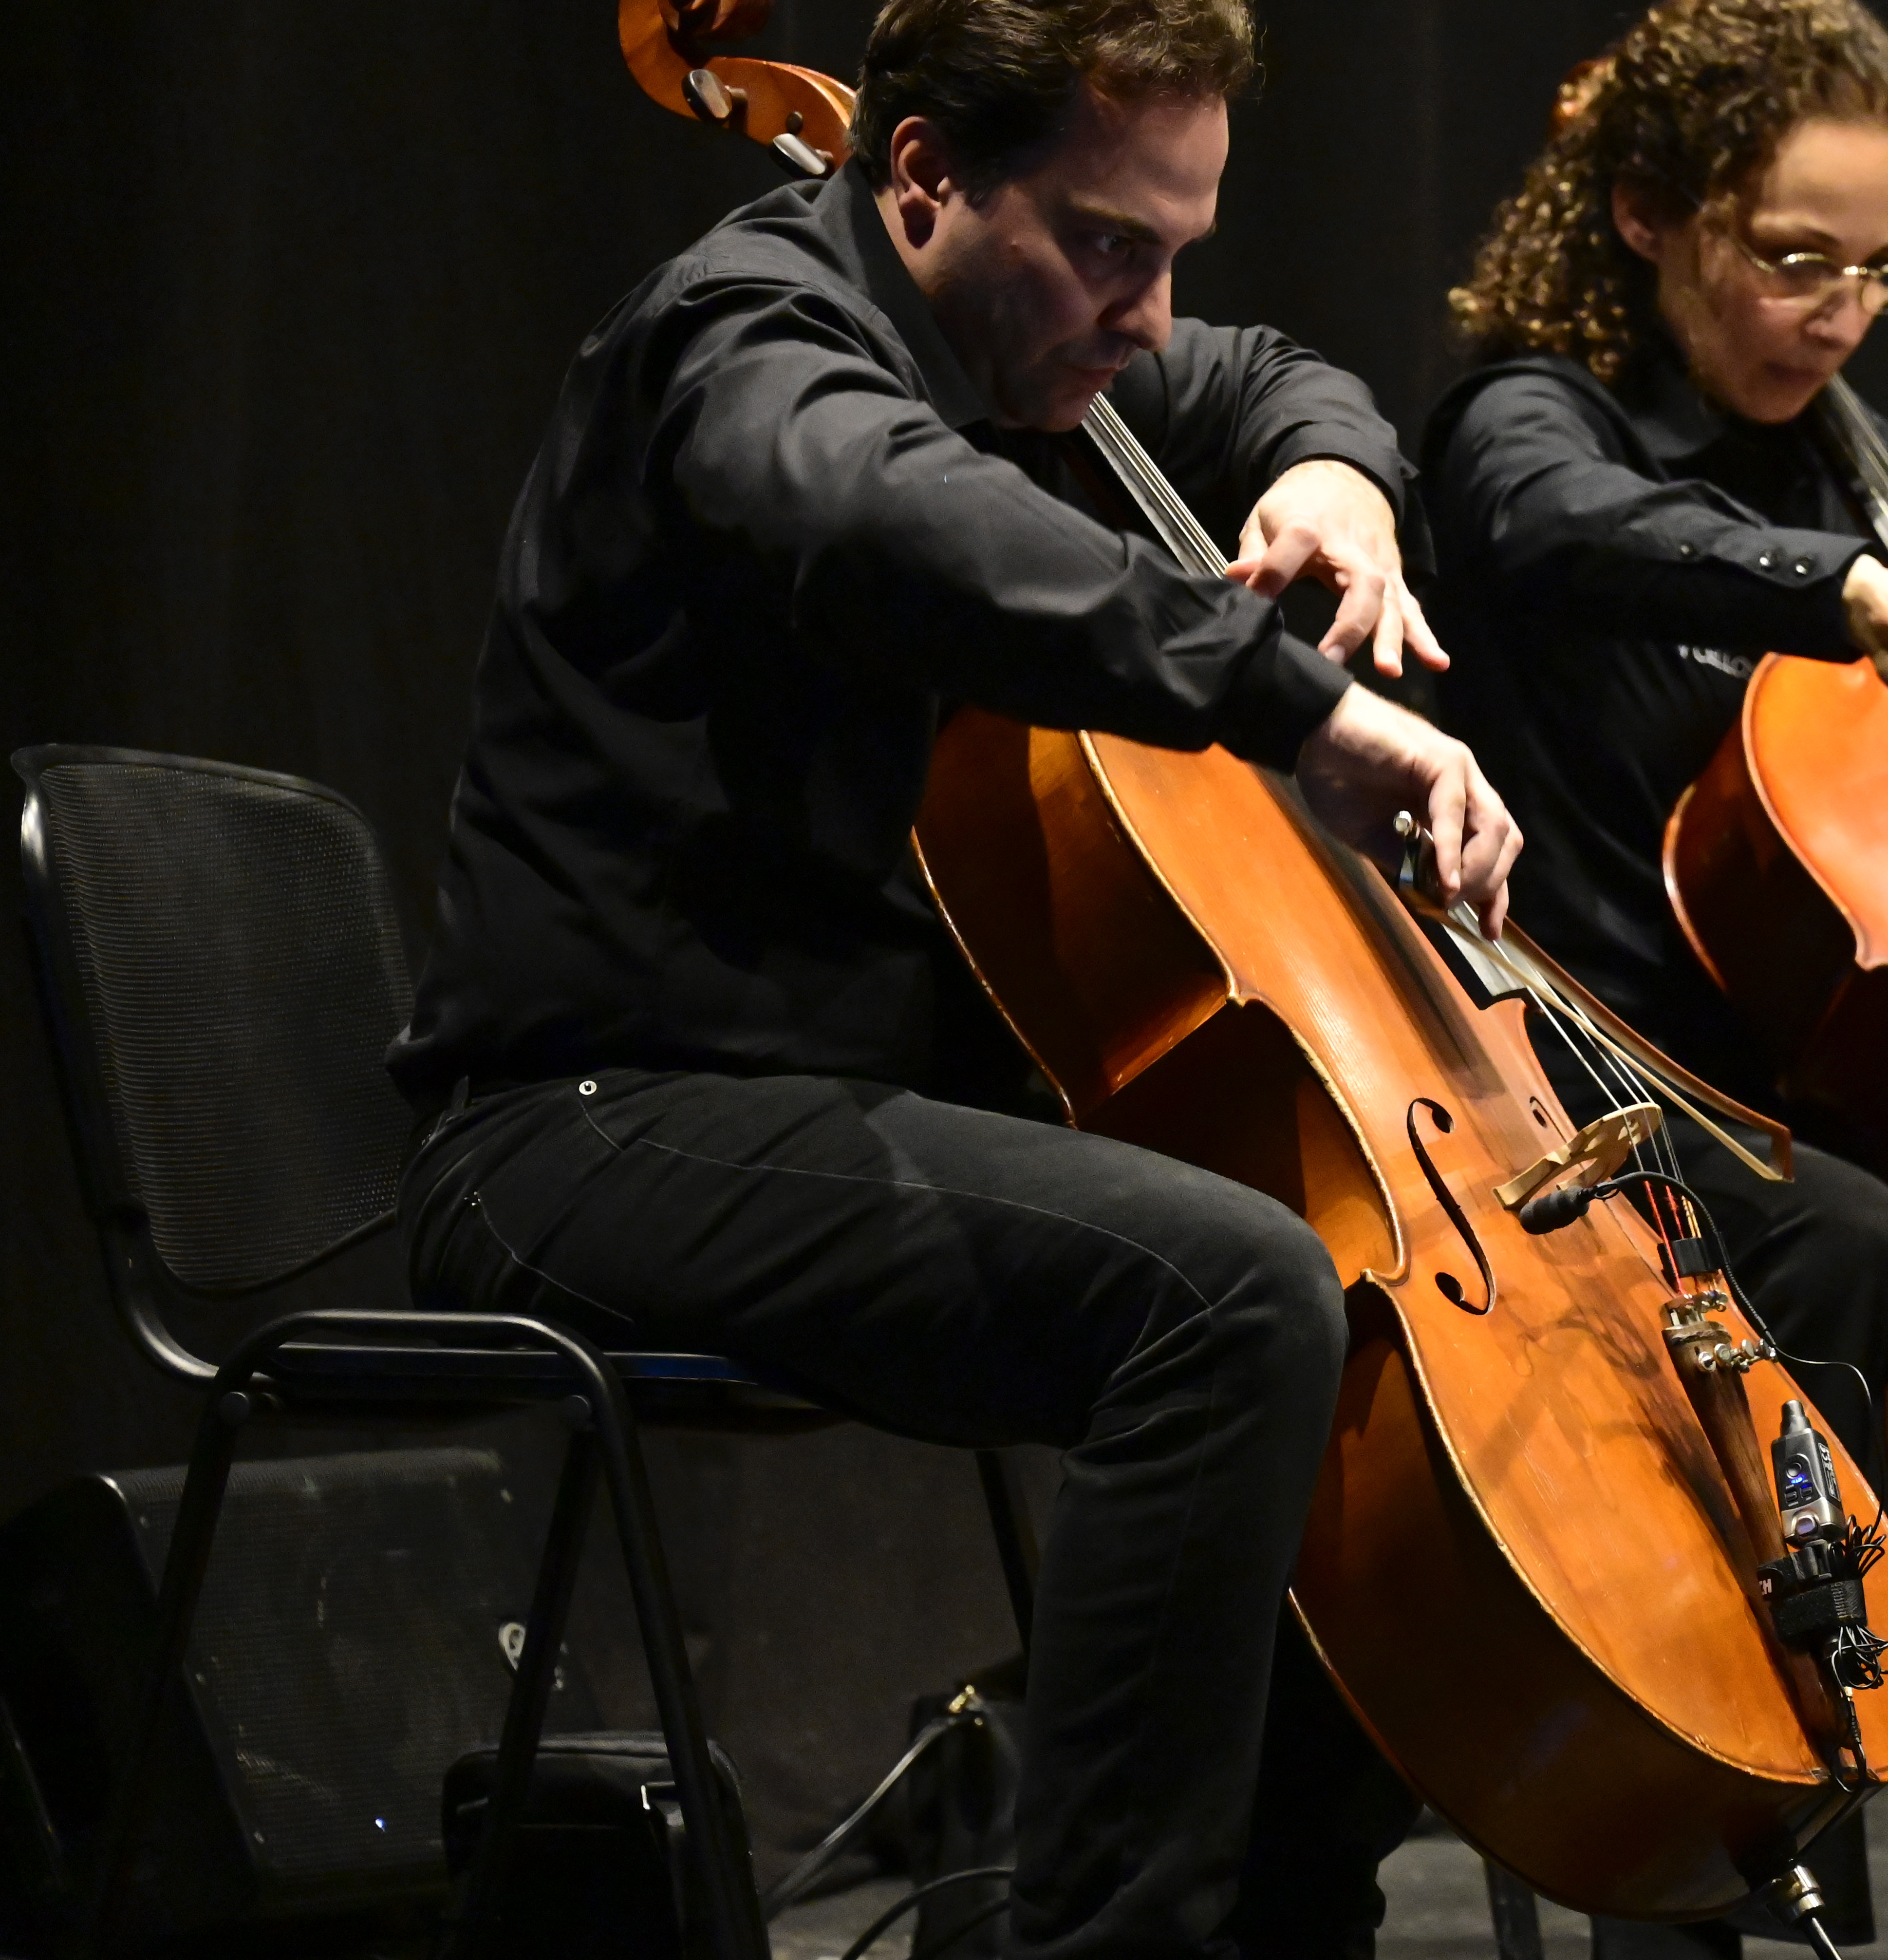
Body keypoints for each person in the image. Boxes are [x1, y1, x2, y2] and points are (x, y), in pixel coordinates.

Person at [385, 4, 1515, 1958]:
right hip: (583, 1126)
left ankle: (1264, 1908)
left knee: (1359, 1295)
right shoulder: (747, 333)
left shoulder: (1027, 338)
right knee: (1229, 1295)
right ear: (921, 174)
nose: (1150, 317)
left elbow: (1270, 376)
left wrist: (1339, 478)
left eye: (1177, 250)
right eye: (1108, 246)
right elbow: (886, 514)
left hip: (813, 1107)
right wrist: (1293, 704)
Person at [1422, 1, 1888, 1950]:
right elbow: (1564, 527)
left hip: (1799, 1076)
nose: (1840, 316)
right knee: (1840, 1240)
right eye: (1793, 260)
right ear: (1647, 214)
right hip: (1575, 1063)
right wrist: (1836, 593)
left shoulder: (1851, 455)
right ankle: (1716, 1851)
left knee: (1887, 1223)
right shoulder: (1538, 418)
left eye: (1880, 270)